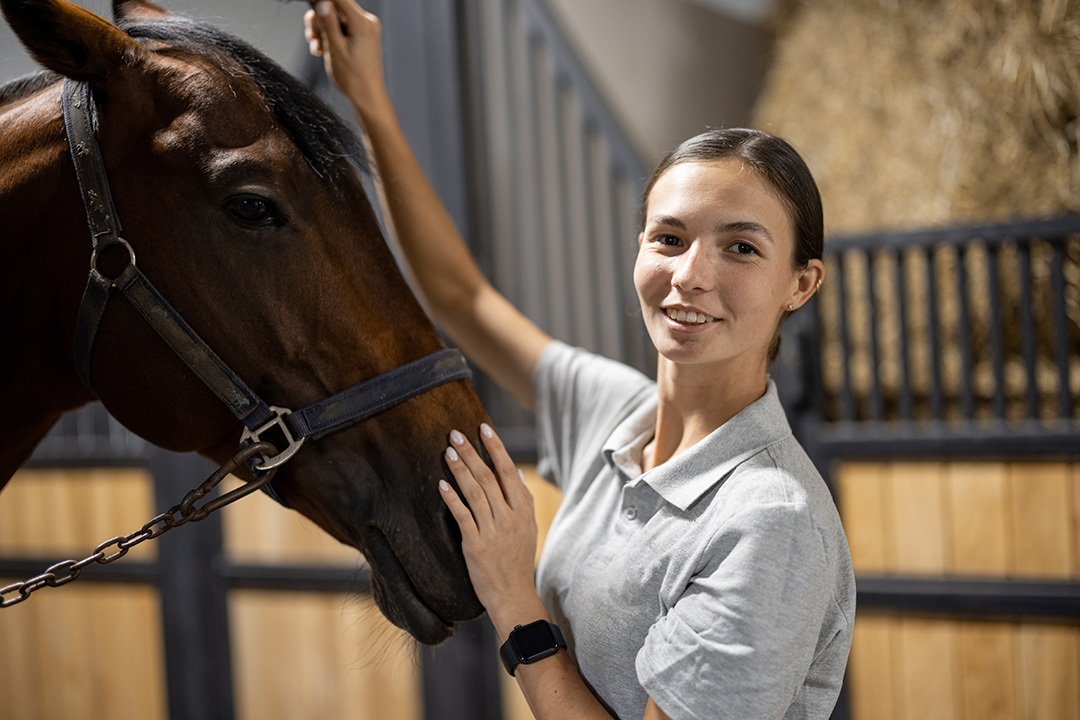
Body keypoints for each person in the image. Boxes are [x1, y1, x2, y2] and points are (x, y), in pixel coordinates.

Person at [304, 2, 856, 718]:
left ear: (801, 284)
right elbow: (461, 297)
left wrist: (512, 598)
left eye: (741, 247)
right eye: (669, 238)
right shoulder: (613, 412)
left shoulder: (768, 523)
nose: (691, 275)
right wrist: (369, 98)